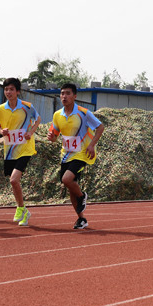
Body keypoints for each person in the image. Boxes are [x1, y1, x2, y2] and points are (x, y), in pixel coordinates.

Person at [47, 83, 105, 230]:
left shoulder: (83, 113)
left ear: (74, 96)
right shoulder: (57, 115)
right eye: (62, 94)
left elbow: (100, 127)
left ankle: (82, 196)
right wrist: (51, 137)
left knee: (66, 179)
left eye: (67, 93)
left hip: (82, 153)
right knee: (69, 185)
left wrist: (91, 145)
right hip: (66, 154)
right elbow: (54, 135)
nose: (64, 96)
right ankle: (82, 219)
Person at [0, 78, 41, 226]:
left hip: (25, 148)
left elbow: (37, 120)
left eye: (11, 89)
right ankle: (23, 209)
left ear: (17, 91)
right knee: (13, 183)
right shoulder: (0, 109)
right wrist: (1, 131)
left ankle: (19, 208)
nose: (8, 92)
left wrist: (31, 132)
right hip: (10, 150)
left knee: (14, 179)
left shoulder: (27, 107)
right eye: (6, 89)